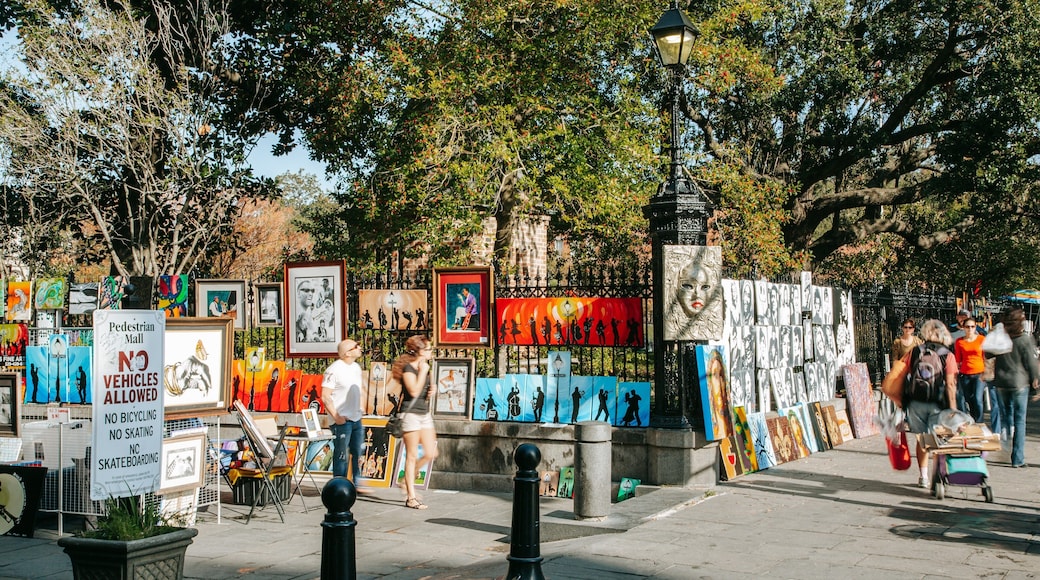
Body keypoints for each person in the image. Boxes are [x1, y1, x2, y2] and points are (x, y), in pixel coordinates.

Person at [880, 319, 957, 488]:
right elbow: (950, 384)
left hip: (915, 402)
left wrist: (898, 398)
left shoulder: (914, 351)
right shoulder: (948, 355)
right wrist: (953, 408)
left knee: (922, 438)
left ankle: (923, 477)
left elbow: (898, 374)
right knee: (937, 438)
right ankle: (937, 475)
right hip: (937, 402)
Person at [392, 335, 439, 509]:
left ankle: (406, 478)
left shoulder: (427, 368)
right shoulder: (408, 369)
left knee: (431, 453)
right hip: (410, 414)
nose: (430, 352)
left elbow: (424, 391)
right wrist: (423, 372)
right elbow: (413, 390)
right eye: (427, 349)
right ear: (418, 351)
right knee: (411, 454)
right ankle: (411, 497)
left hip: (424, 413)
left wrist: (432, 389)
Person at [991, 307, 1039, 468]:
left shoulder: (1001, 337)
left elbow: (988, 353)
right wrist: (1035, 383)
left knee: (1006, 417)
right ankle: (1017, 458)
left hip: (1001, 383)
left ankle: (1005, 447)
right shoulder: (1024, 339)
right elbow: (1031, 363)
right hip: (1019, 383)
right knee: (1019, 421)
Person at [321, 340, 366, 491]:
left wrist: (361, 407)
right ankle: (338, 486)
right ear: (347, 353)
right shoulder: (334, 370)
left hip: (356, 417)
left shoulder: (356, 367)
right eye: (356, 346)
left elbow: (359, 389)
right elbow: (325, 396)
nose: (359, 348)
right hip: (342, 420)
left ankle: (357, 482)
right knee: (341, 455)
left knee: (358, 451)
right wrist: (336, 417)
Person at [954, 316, 985, 422]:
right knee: (967, 399)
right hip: (965, 373)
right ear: (963, 328)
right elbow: (958, 359)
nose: (970, 329)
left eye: (972, 326)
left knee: (977, 398)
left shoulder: (981, 339)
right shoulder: (959, 342)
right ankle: (971, 420)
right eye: (967, 327)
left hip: (979, 373)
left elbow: (985, 356)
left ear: (975, 327)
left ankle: (980, 421)